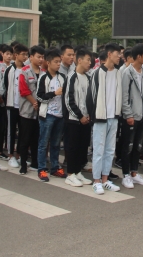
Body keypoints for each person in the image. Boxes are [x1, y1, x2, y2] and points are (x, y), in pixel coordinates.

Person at [86, 43, 123, 194]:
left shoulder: (119, 73)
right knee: (98, 150)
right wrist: (94, 116)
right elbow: (91, 97)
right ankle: (96, 181)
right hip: (100, 117)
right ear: (109, 54)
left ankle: (105, 179)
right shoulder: (97, 73)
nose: (119, 57)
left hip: (114, 116)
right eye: (117, 54)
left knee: (110, 150)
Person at [119, 44, 143, 187]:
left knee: (138, 146)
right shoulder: (127, 73)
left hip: (142, 114)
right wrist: (128, 114)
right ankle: (126, 175)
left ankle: (134, 172)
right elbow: (124, 96)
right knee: (128, 146)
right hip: (131, 115)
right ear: (139, 56)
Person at [35, 49, 67, 182]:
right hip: (47, 115)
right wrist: (54, 93)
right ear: (48, 63)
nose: (58, 64)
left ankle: (55, 167)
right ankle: (41, 169)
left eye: (59, 62)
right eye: (56, 62)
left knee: (56, 143)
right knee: (43, 143)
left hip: (60, 115)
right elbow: (39, 96)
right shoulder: (43, 78)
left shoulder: (62, 77)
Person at [63, 49, 93, 187]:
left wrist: (89, 115)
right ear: (79, 60)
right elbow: (68, 100)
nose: (90, 63)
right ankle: (70, 174)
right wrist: (80, 116)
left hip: (86, 119)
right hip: (73, 120)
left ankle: (78, 171)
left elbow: (90, 99)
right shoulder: (71, 77)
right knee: (72, 147)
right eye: (88, 59)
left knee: (82, 147)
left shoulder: (88, 78)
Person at [17, 45, 45, 175]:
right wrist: (34, 102)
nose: (41, 59)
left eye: (42, 57)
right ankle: (23, 164)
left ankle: (35, 162)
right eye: (38, 57)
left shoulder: (43, 72)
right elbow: (23, 90)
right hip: (27, 111)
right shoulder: (24, 71)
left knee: (36, 138)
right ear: (31, 57)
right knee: (25, 139)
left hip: (40, 112)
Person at [3, 44, 29, 169]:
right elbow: (5, 86)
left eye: (26, 54)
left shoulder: (26, 69)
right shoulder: (9, 70)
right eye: (23, 54)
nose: (25, 57)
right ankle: (10, 155)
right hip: (11, 105)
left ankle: (19, 155)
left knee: (23, 132)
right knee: (11, 131)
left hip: (23, 106)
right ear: (16, 55)